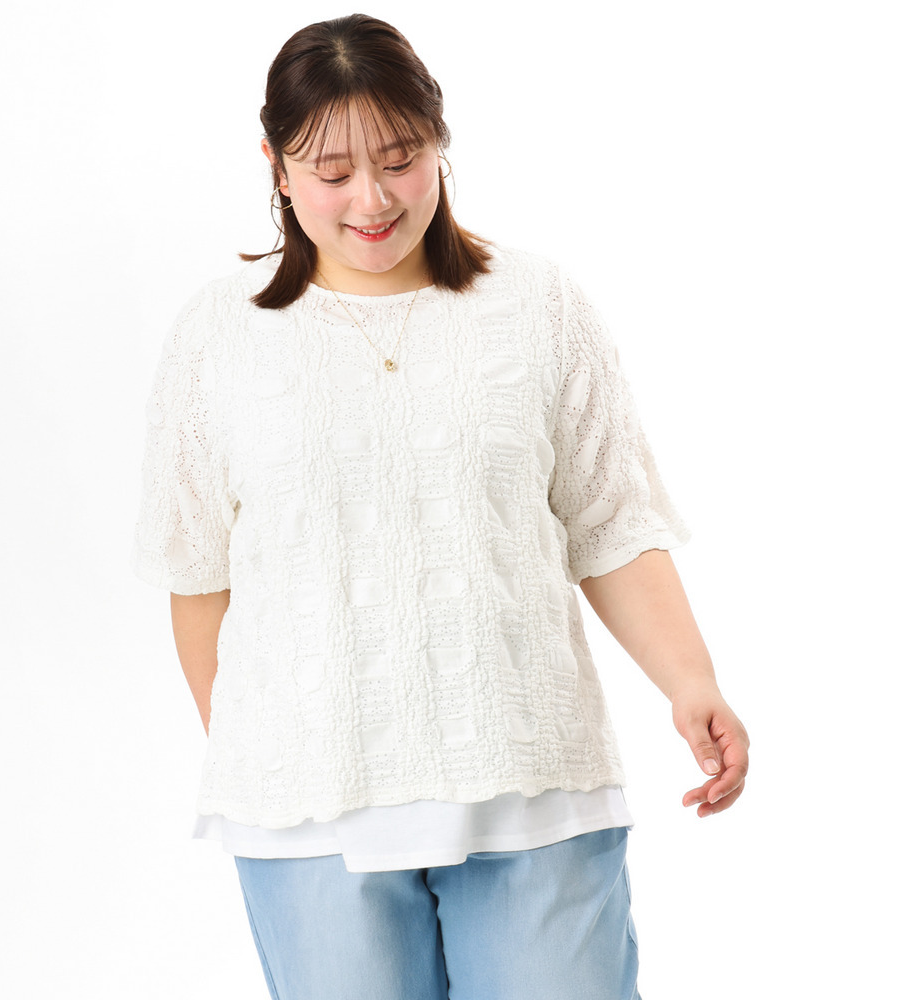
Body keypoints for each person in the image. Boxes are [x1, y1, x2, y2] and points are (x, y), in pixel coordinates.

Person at [132, 13, 749, 1000]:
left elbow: (610, 522)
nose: (372, 199)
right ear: (276, 167)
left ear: (439, 143)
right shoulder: (219, 335)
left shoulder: (537, 305)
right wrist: (268, 750)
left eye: (399, 160)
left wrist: (690, 679)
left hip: (533, 782)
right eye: (331, 171)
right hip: (311, 813)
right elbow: (197, 571)